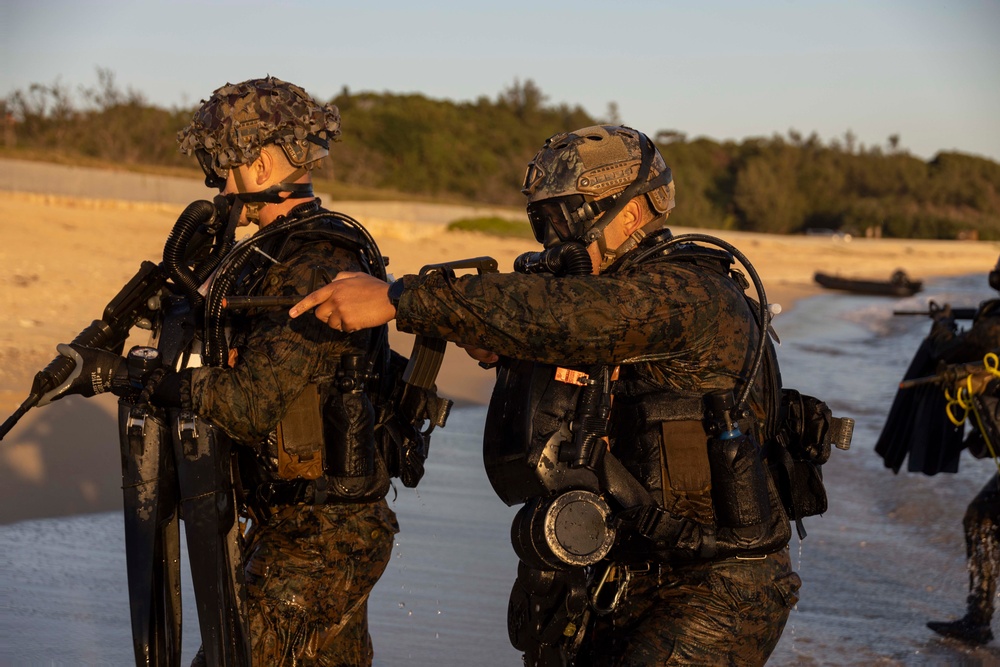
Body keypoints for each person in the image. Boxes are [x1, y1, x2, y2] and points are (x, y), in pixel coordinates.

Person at [290, 125, 830, 664]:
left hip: (717, 587)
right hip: (622, 569)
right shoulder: (617, 294)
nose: (555, 239)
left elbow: (576, 316)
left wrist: (397, 298)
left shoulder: (690, 293)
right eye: (543, 221)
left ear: (634, 214)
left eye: (569, 216)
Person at [38, 77, 444, 666]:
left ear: (258, 164)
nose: (218, 186)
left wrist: (125, 377)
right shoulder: (267, 257)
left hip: (325, 538)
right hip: (303, 526)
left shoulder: (315, 262)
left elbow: (248, 405)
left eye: (221, 168)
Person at [886, 261, 1000, 646]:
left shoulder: (995, 324)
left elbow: (950, 348)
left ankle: (978, 619)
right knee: (981, 519)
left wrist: (943, 323)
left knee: (982, 519)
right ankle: (977, 619)